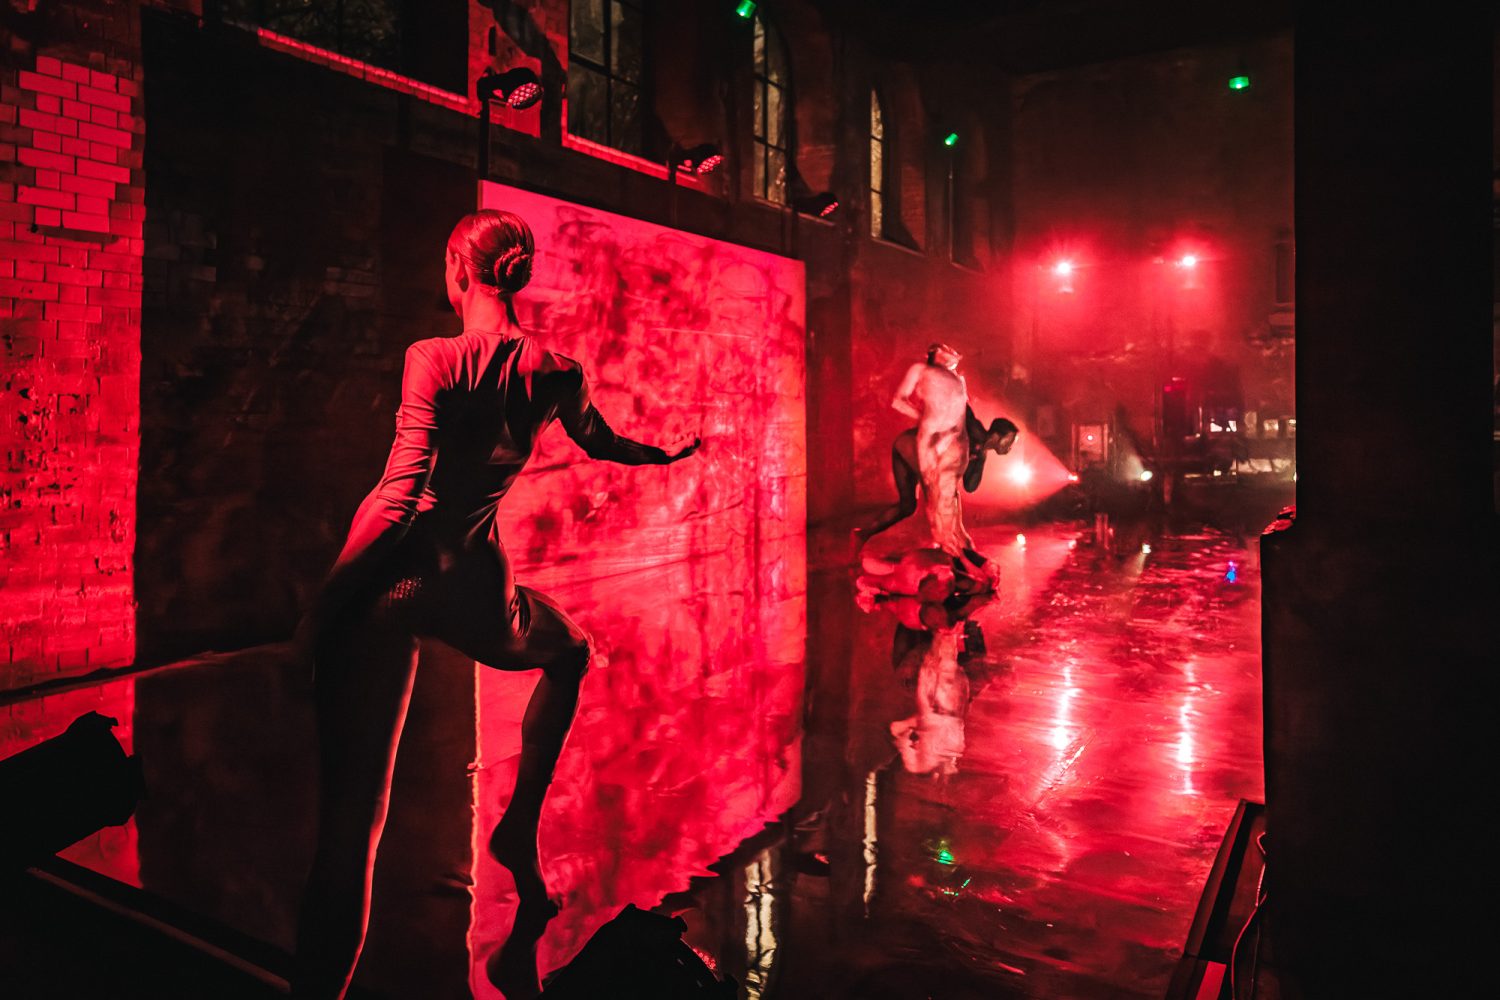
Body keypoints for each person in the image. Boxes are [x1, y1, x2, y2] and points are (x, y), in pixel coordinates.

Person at [293, 209, 698, 998]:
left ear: (457, 268)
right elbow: (602, 440)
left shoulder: (435, 358)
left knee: (350, 836)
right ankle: (519, 824)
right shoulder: (558, 371)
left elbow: (398, 495)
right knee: (572, 651)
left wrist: (319, 612)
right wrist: (666, 451)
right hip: (478, 585)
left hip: (395, 590)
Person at [853, 408, 1017, 547]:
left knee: (908, 506)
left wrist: (980, 457)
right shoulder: (972, 428)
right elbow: (961, 406)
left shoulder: (980, 453)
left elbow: (970, 486)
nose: (1009, 448)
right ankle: (945, 549)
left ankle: (862, 535)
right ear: (996, 436)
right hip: (911, 446)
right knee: (938, 495)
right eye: (1009, 441)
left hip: (919, 456)